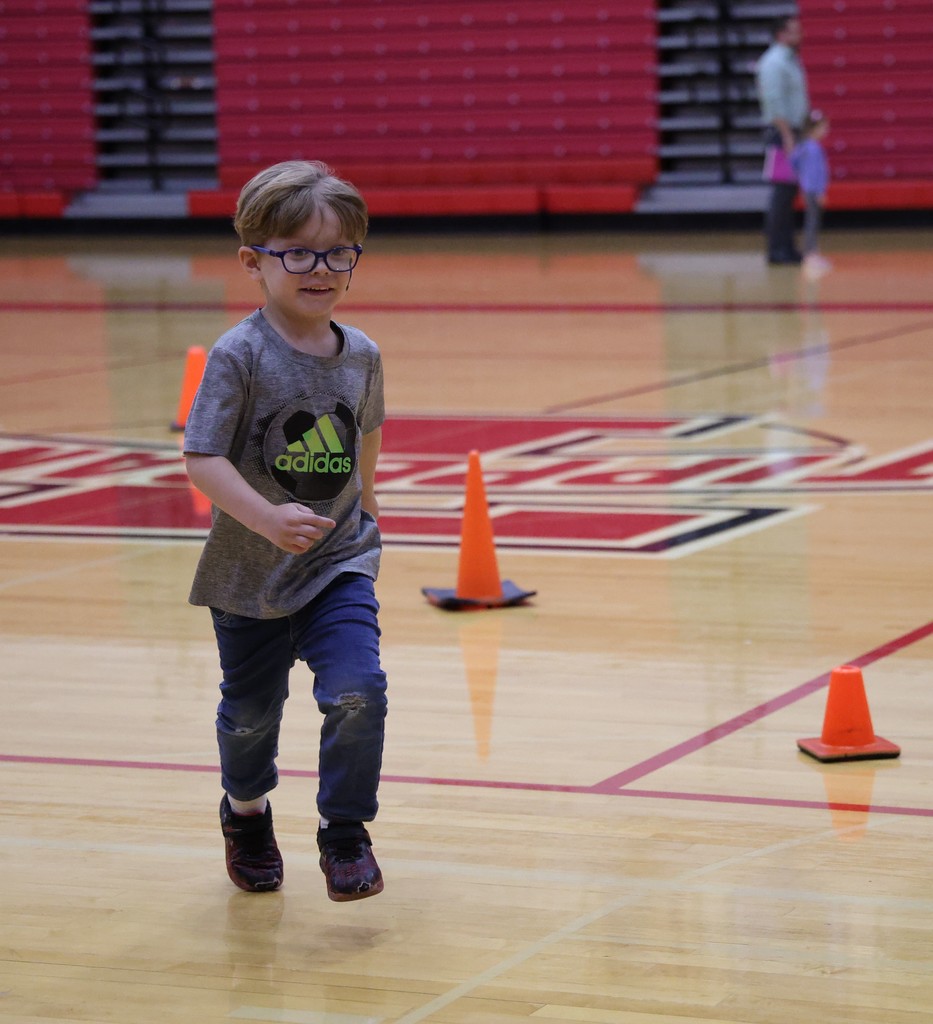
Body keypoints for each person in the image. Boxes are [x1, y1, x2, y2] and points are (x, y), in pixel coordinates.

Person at [183, 160, 388, 901]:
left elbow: (366, 439)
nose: (321, 268)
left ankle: (344, 832)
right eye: (298, 252)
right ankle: (245, 815)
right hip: (247, 574)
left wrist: (365, 518)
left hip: (337, 564)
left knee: (358, 690)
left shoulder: (361, 354)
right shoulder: (239, 356)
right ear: (253, 261)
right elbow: (201, 459)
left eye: (339, 252)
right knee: (249, 716)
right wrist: (266, 518)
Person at [755, 14, 809, 264]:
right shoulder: (773, 63)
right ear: (781, 34)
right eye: (795, 31)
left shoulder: (790, 60)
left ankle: (787, 247)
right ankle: (776, 249)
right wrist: (787, 135)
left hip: (793, 132)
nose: (800, 35)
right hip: (781, 134)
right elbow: (773, 103)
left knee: (789, 193)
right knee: (781, 193)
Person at [792, 110, 831, 277]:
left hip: (809, 189)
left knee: (812, 220)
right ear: (813, 129)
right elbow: (817, 172)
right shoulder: (813, 149)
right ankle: (811, 254)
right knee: (812, 221)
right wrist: (819, 191)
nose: (826, 131)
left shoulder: (804, 146)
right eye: (823, 128)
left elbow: (793, 160)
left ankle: (811, 252)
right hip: (813, 190)